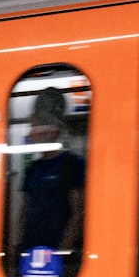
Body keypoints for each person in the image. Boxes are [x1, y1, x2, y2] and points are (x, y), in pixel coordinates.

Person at [19, 89, 86, 254]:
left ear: (51, 131)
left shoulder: (73, 164)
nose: (30, 133)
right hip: (30, 251)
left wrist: (62, 252)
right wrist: (19, 247)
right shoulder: (33, 168)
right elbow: (24, 211)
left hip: (57, 252)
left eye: (34, 127)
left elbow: (78, 213)